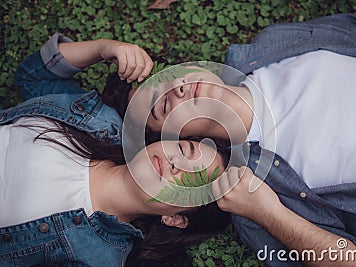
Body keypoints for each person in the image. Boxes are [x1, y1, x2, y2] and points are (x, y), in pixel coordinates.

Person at [125, 13, 356, 266]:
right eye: (161, 106)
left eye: (166, 76)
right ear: (181, 138)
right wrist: (269, 214)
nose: (177, 87)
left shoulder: (272, 43)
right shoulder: (253, 194)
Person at [0, 35, 232, 267]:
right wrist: (103, 48)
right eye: (184, 150)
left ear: (174, 219)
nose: (176, 163)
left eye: (192, 179)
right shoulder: (97, 120)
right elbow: (31, 78)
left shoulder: (95, 256)